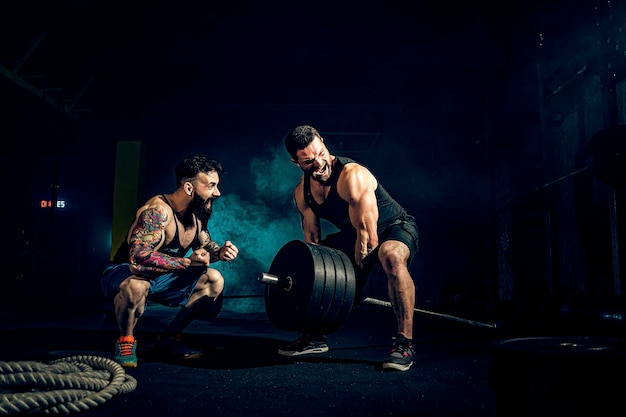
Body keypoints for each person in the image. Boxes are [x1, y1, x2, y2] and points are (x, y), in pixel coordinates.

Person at [280, 125, 419, 371]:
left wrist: (351, 285)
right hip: (352, 234)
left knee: (390, 255)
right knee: (315, 266)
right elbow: (312, 242)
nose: (319, 163)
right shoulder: (302, 193)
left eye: (321, 153)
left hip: (393, 228)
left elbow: (369, 239)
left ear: (323, 141)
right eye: (309, 161)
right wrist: (322, 282)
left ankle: (404, 342)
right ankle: (314, 335)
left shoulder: (352, 176)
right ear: (295, 162)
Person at [101, 154, 239, 368]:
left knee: (214, 279)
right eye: (211, 186)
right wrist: (186, 263)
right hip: (124, 272)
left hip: (160, 276)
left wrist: (220, 252)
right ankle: (126, 341)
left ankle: (169, 337)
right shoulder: (157, 212)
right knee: (138, 285)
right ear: (188, 188)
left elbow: (204, 245)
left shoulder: (196, 215)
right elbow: (137, 258)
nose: (217, 193)